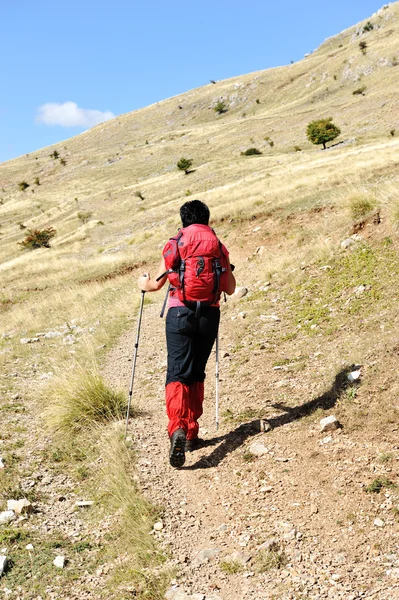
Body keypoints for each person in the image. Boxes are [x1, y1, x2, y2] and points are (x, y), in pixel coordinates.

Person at [138, 200, 236, 468]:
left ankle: (177, 428)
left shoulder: (177, 243)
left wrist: (142, 283)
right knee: (197, 373)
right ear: (206, 218)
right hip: (209, 315)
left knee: (178, 371)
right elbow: (228, 287)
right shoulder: (217, 245)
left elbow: (155, 285)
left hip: (179, 314)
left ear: (183, 219)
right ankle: (191, 433)